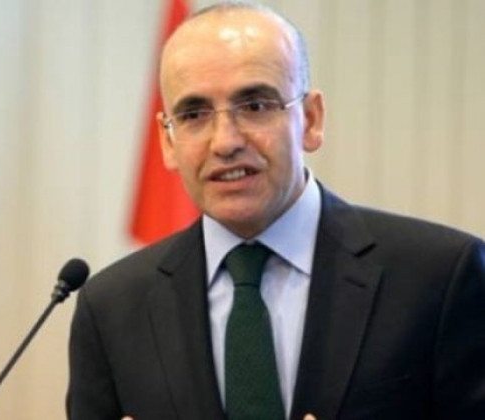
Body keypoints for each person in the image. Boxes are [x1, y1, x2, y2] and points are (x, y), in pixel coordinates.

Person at [66, 1, 485, 419]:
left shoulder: (441, 276)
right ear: (168, 141)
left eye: (255, 106)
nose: (225, 142)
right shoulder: (110, 309)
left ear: (311, 119)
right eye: (194, 114)